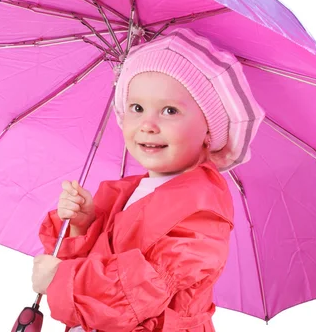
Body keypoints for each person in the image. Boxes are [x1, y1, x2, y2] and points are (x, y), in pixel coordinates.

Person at [31, 27, 265, 332]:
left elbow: (142, 290)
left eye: (169, 110)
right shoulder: (125, 193)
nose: (148, 125)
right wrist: (84, 225)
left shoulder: (203, 209)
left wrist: (60, 279)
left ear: (209, 130)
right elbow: (102, 260)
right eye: (137, 108)